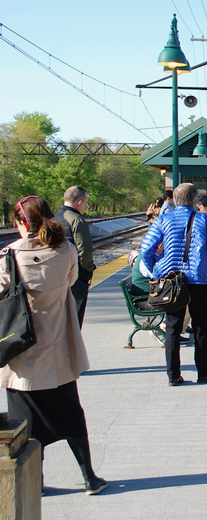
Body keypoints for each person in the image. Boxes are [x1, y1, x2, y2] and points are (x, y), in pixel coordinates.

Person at [1, 196, 106, 495]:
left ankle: (37, 481)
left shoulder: (10, 257)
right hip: (59, 348)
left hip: (22, 353)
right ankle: (89, 477)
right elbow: (72, 281)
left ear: (23, 223)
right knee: (72, 414)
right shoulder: (66, 251)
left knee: (26, 421)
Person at [141, 183, 207, 386]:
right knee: (201, 327)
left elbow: (146, 249)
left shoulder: (162, 220)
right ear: (195, 201)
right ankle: (204, 373)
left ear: (176, 200)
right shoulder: (205, 220)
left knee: (172, 328)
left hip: (171, 281)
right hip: (199, 280)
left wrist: (155, 270)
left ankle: (173, 376)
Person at [54, 185, 94, 328]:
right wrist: (88, 271)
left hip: (53, 275)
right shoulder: (76, 220)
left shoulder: (51, 218)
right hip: (74, 276)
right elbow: (85, 250)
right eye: (86, 203)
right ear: (80, 202)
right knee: (73, 321)